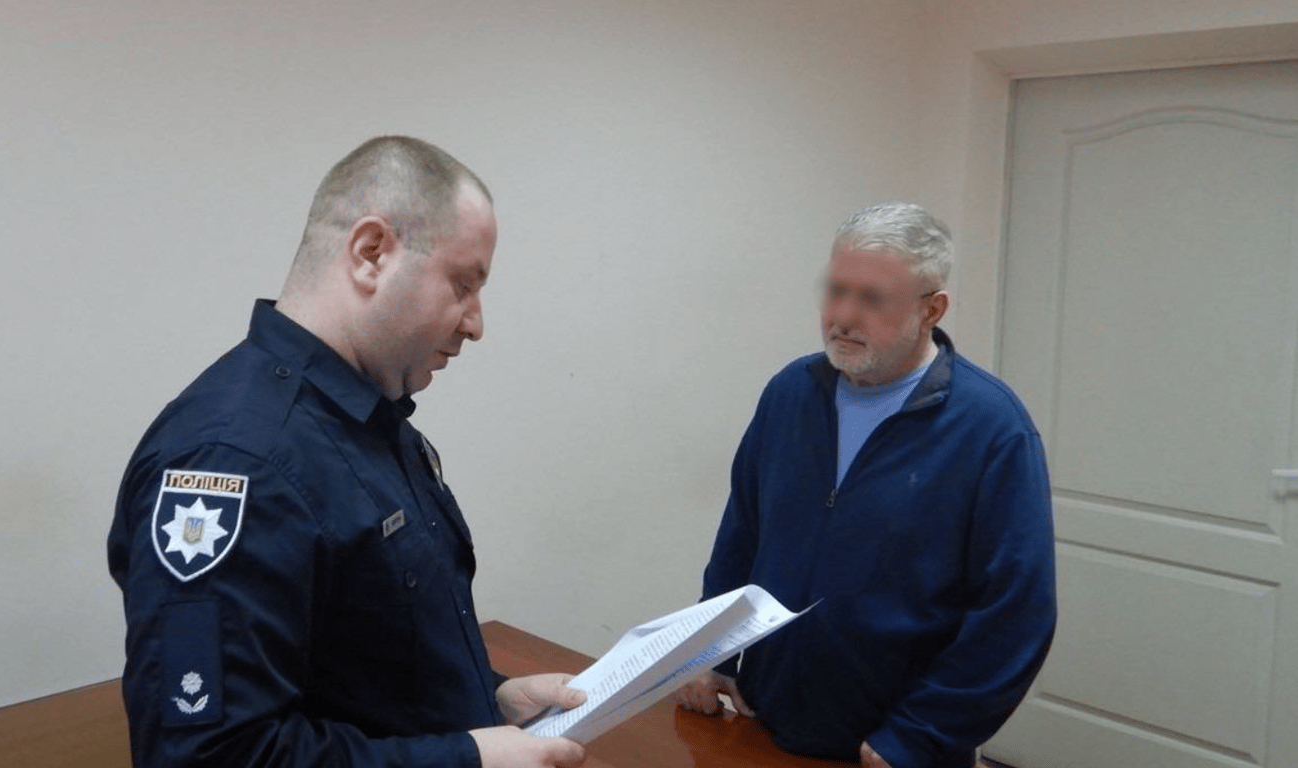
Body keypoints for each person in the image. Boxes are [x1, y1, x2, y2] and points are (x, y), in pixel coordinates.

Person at [108, 136, 587, 768]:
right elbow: (209, 756)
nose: (475, 324)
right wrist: (466, 760)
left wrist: (490, 700)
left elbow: (362, 665)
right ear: (370, 253)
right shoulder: (237, 461)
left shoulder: (370, 422)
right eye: (463, 284)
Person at [675, 202, 1056, 768]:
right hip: (766, 722)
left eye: (872, 299)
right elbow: (742, 537)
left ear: (932, 309)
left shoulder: (991, 428)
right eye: (836, 291)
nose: (842, 316)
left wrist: (920, 735)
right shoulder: (791, 393)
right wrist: (711, 651)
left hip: (895, 746)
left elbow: (1016, 614)